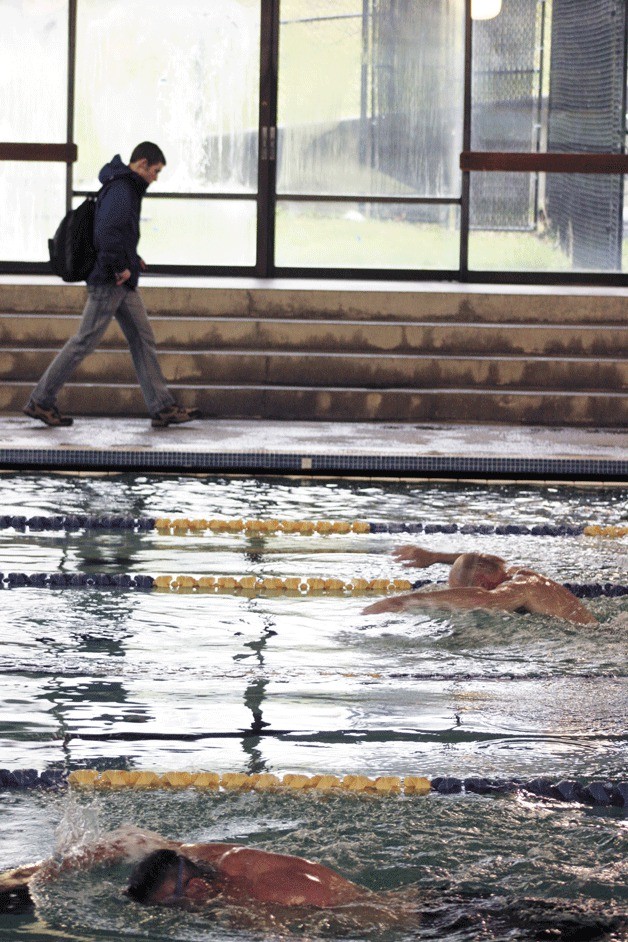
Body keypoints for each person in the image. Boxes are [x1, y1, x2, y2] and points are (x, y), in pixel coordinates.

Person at [24, 142, 200, 429]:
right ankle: (41, 400)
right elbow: (105, 233)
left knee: (143, 340)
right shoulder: (122, 189)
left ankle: (162, 406)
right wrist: (120, 266)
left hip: (120, 281)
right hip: (109, 281)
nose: (155, 178)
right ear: (142, 164)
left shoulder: (123, 185)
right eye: (155, 171)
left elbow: (117, 233)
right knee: (83, 341)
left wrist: (133, 258)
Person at [0, 826, 409, 925]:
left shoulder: (253, 897)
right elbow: (130, 838)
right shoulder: (204, 859)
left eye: (176, 906)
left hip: (430, 923)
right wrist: (39, 872)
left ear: (194, 887)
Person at [363, 545, 598, 624]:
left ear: (482, 582)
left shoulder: (522, 586)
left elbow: (483, 599)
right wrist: (436, 557)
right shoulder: (517, 573)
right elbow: (483, 561)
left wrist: (401, 601)